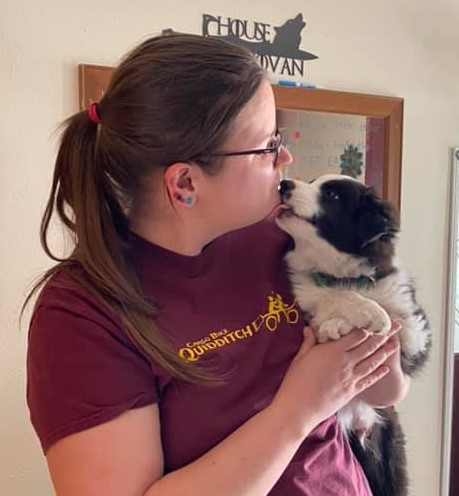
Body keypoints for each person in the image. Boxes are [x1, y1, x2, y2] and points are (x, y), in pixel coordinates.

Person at [25, 33, 408, 496]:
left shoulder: (281, 237)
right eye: (267, 146)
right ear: (185, 183)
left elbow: (387, 392)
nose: (284, 158)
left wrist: (368, 339)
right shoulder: (81, 314)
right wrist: (299, 408)